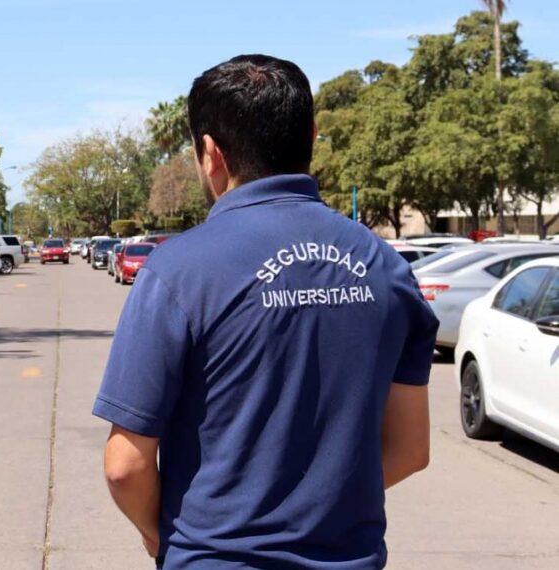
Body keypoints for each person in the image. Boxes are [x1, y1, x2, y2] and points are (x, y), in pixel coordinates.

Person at [93, 54, 438, 569]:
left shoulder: (177, 272)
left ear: (211, 154)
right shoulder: (385, 268)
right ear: (312, 136)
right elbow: (411, 449)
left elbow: (125, 465)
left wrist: (159, 534)